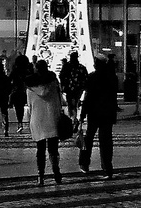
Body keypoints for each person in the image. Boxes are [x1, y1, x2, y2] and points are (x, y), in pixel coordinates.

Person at [25, 58, 65, 186]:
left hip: (37, 119)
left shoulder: (30, 88)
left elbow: (29, 106)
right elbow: (59, 102)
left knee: (40, 149)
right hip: (52, 118)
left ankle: (40, 176)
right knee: (53, 149)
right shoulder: (53, 84)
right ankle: (56, 172)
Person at [77, 56, 117, 179]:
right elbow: (113, 97)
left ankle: (84, 163)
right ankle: (107, 167)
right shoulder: (112, 77)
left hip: (94, 113)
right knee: (106, 141)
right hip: (107, 113)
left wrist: (82, 114)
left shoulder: (92, 77)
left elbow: (88, 97)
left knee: (88, 139)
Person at [60, 51, 87, 119]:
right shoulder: (81, 67)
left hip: (70, 88)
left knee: (70, 103)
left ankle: (72, 116)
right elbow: (85, 78)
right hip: (77, 88)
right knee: (75, 102)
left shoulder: (66, 66)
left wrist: (63, 86)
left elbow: (61, 76)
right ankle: (73, 116)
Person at [9, 51, 32, 133]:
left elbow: (9, 81)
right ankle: (31, 123)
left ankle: (20, 122)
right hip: (28, 92)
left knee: (19, 109)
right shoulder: (28, 72)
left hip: (17, 92)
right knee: (31, 108)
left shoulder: (15, 71)